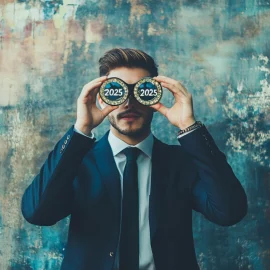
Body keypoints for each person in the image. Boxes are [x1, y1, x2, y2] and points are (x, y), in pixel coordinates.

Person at [21, 48, 248, 270]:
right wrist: (81, 130)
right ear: (101, 98)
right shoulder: (77, 161)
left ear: (154, 98)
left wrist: (189, 127)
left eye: (142, 90)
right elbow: (38, 213)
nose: (128, 103)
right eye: (116, 91)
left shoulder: (182, 161)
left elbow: (229, 212)